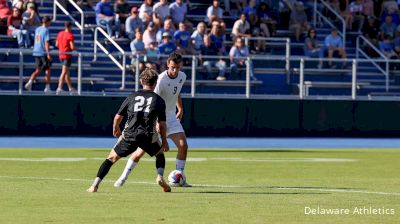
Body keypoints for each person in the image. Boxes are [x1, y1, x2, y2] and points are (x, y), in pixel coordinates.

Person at [87, 68, 171, 193]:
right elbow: (162, 124)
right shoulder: (159, 100)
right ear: (155, 83)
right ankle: (160, 176)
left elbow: (117, 117)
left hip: (130, 134)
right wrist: (164, 141)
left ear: (141, 81)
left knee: (111, 158)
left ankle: (94, 185)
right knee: (159, 154)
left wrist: (116, 129)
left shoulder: (132, 96)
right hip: (148, 135)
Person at [114, 52, 191, 188]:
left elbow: (177, 92)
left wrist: (181, 108)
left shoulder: (182, 77)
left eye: (178, 68)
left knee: (183, 146)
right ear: (168, 64)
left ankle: (179, 177)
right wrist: (155, 122)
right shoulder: (161, 80)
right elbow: (152, 101)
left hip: (171, 118)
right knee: (140, 152)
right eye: (173, 67)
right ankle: (123, 177)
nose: (175, 70)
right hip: (157, 118)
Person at [24, 16, 52, 92]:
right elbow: (46, 42)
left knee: (38, 69)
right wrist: (48, 53)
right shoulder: (46, 30)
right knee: (48, 69)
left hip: (36, 51)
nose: (50, 23)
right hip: (42, 52)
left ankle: (30, 82)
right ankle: (47, 86)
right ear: (47, 22)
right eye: (49, 21)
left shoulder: (37, 29)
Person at [56, 21, 76, 95]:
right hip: (67, 56)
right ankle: (59, 87)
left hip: (61, 55)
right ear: (70, 26)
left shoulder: (60, 34)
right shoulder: (70, 35)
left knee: (67, 72)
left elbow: (57, 44)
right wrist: (76, 48)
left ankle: (70, 88)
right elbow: (72, 47)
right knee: (64, 72)